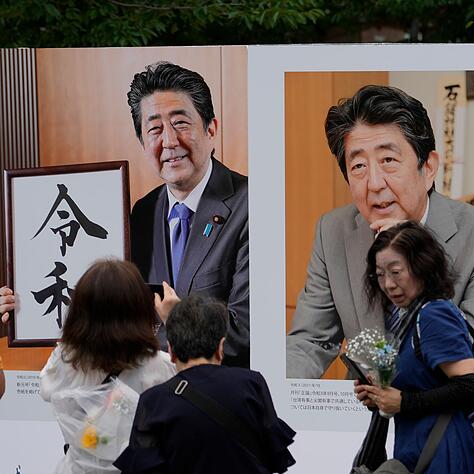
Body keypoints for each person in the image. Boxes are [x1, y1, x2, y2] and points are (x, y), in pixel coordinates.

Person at [286, 85, 474, 378]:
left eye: (388, 160)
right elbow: (311, 341)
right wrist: (274, 391)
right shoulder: (333, 231)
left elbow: (468, 352)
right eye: (358, 166)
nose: (375, 183)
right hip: (360, 402)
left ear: (428, 167)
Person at [127, 61, 250, 368]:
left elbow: (245, 329)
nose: (169, 141)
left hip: (220, 388)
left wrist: (177, 318)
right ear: (143, 143)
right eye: (155, 129)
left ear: (211, 129)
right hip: (152, 387)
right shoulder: (142, 212)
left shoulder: (251, 204)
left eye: (180, 123)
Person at [353, 221, 474, 473]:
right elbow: (420, 383)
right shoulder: (403, 317)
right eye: (380, 274)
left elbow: (470, 384)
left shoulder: (433, 314)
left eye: (396, 272)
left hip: (446, 454)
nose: (388, 284)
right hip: (420, 451)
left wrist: (404, 402)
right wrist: (378, 395)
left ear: (422, 267)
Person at [115, 295, 296, 473]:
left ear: (171, 350)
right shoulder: (252, 384)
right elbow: (276, 459)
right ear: (221, 347)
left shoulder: (153, 401)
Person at [39, 259, 176, 473]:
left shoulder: (64, 360)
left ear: (79, 312)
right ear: (139, 308)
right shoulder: (160, 366)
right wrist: (174, 321)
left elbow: (46, 389)